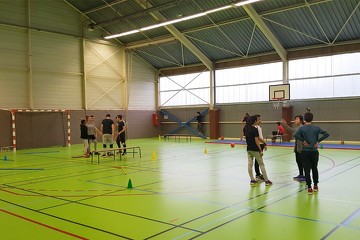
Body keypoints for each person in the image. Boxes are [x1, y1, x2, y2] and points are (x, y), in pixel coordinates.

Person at [294, 112, 329, 195]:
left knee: (306, 169)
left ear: (304, 119)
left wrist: (303, 140)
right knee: (314, 168)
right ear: (312, 119)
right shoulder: (316, 128)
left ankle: (309, 187)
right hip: (314, 151)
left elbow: (295, 135)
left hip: (305, 151)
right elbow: (326, 134)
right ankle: (316, 185)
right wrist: (318, 141)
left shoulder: (302, 128)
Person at [244, 115, 272, 186]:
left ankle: (252, 180)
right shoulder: (254, 129)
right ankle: (266, 181)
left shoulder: (245, 128)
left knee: (250, 165)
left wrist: (264, 143)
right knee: (261, 164)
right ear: (254, 121)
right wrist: (260, 150)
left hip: (249, 149)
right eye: (257, 120)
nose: (258, 121)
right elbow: (256, 140)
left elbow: (256, 139)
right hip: (255, 149)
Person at [281, 115, 305, 182]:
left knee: (302, 162)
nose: (295, 120)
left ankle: (305, 176)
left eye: (297, 119)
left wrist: (285, 125)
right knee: (299, 162)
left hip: (301, 148)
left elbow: (293, 131)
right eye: (295, 119)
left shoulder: (302, 127)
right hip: (297, 148)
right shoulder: (299, 127)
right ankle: (301, 174)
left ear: (301, 120)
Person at [253, 114, 267, 181]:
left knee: (258, 161)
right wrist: (263, 143)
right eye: (259, 119)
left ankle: (258, 174)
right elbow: (257, 138)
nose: (260, 120)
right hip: (258, 145)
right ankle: (257, 175)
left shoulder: (259, 127)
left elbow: (261, 137)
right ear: (256, 120)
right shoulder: (255, 128)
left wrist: (264, 144)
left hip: (261, 144)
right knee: (257, 161)